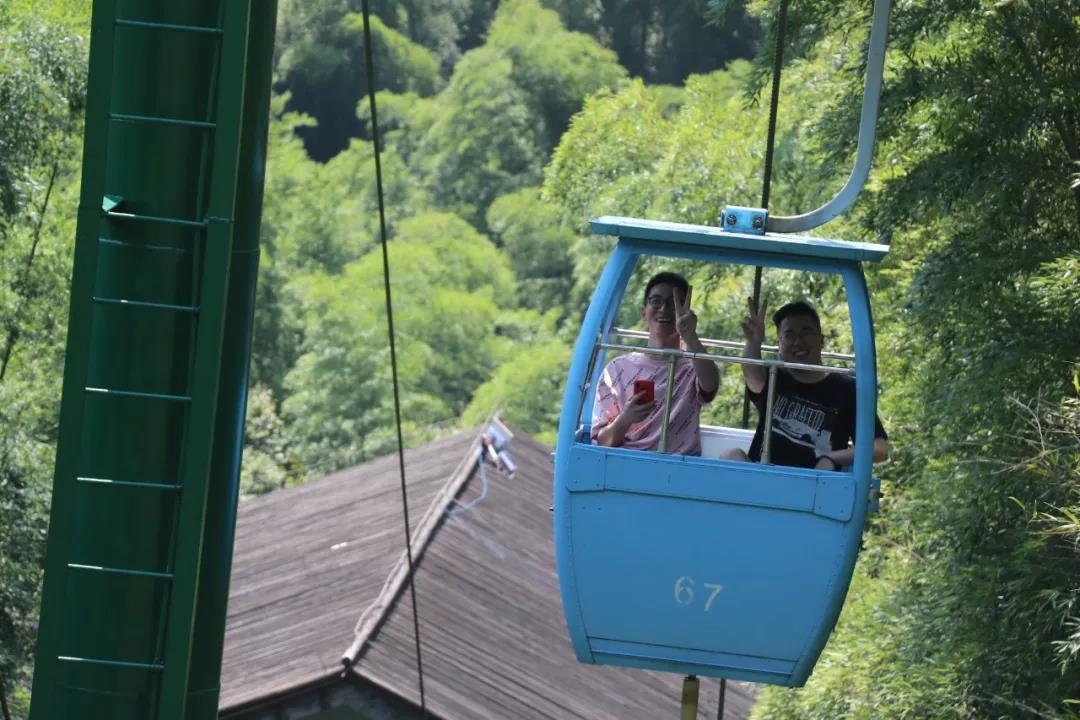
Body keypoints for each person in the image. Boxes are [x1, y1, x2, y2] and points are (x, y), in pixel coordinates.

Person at [725, 298, 889, 470]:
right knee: (731, 455)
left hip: (815, 482)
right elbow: (752, 374)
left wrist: (831, 458)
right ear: (779, 344)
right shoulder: (773, 375)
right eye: (789, 335)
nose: (798, 342)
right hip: (763, 478)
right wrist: (753, 341)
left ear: (821, 340)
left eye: (806, 333)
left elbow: (880, 449)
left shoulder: (846, 388)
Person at [591, 272, 720, 455]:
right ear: (644, 313)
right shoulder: (616, 369)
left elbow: (710, 386)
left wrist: (690, 336)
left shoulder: (694, 367)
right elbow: (602, 442)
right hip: (629, 462)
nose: (664, 309)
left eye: (673, 303)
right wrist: (626, 418)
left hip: (679, 465)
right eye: (656, 301)